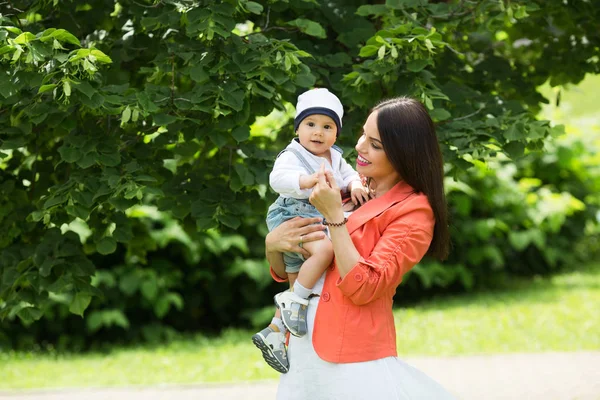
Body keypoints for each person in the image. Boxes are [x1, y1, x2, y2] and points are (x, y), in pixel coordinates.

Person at [264, 97, 457, 399]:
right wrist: (272, 244)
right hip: (302, 344)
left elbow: (366, 286)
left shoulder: (414, 211)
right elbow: (285, 269)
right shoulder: (346, 187)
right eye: (364, 134)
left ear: (403, 154)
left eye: (375, 144)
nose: (360, 147)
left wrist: (334, 217)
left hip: (351, 353)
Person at [252, 88, 369, 374]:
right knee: (325, 252)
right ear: (298, 128)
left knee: (297, 279)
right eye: (310, 124)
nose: (318, 132)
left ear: (336, 134)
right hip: (292, 215)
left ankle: (276, 332)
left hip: (315, 217)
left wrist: (353, 184)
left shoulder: (335, 157)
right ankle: (295, 300)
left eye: (327, 126)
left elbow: (349, 175)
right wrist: (306, 180)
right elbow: (278, 179)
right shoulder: (293, 154)